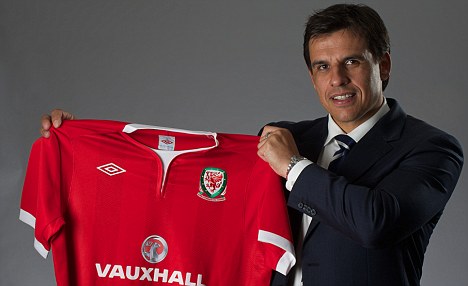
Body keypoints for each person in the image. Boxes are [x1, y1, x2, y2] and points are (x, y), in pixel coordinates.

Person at [40, 4, 463, 286]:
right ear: (312, 76)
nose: (337, 79)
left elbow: (377, 222)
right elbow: (201, 186)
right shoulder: (281, 135)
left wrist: (293, 167)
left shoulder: (432, 148)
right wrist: (80, 142)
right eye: (322, 65)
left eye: (351, 61)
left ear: (382, 65)